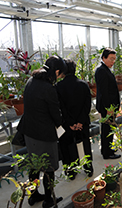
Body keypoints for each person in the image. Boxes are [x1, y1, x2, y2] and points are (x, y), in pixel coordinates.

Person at [17, 56, 66, 207]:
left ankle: (33, 195)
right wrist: (61, 125)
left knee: (35, 165)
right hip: (44, 134)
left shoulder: (30, 81)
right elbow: (55, 114)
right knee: (48, 167)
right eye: (61, 74)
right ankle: (49, 200)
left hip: (29, 132)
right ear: (56, 71)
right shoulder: (48, 88)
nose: (60, 77)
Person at [56, 59, 93, 179]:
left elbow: (61, 107)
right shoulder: (83, 84)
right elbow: (87, 105)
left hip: (67, 124)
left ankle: (70, 172)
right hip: (83, 123)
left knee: (67, 147)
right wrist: (80, 121)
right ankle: (88, 168)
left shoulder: (59, 87)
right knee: (85, 144)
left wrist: (71, 122)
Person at [95, 48, 121, 160]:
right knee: (107, 130)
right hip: (107, 107)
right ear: (104, 58)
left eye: (114, 59)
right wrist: (108, 108)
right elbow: (104, 92)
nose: (113, 61)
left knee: (109, 129)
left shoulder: (105, 69)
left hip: (110, 106)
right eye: (111, 59)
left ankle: (108, 148)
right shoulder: (101, 70)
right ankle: (106, 153)